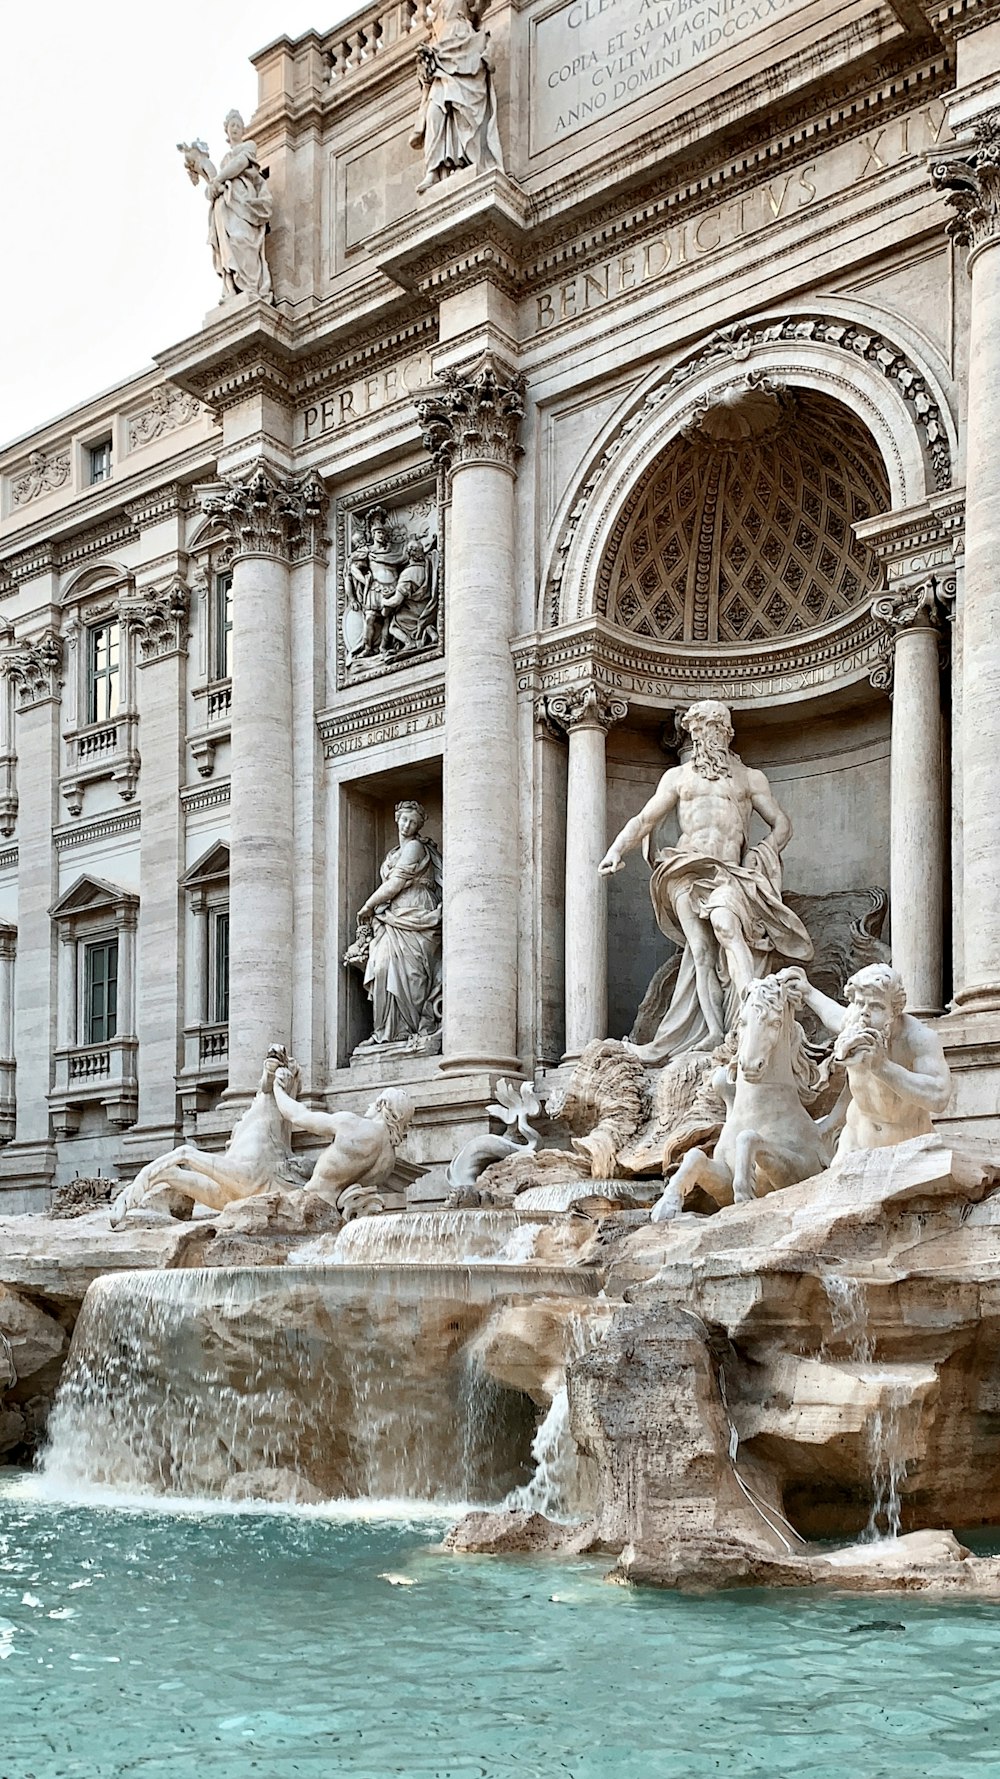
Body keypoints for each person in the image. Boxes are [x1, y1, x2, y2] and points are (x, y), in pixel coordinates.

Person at [599, 699, 813, 1062]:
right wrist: (615, 851)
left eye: (715, 727)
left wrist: (761, 853)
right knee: (699, 951)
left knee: (726, 924)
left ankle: (752, 1009)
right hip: (684, 869)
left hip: (728, 872)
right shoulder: (678, 778)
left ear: (727, 733)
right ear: (692, 733)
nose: (707, 735)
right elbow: (644, 820)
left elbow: (782, 824)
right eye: (700, 729)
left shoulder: (749, 778)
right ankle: (715, 1031)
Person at [783, 962, 951, 1160]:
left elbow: (938, 1097)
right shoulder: (854, 1020)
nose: (864, 1013)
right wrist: (808, 991)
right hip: (855, 1140)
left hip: (907, 1144)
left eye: (876, 1006)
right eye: (860, 1003)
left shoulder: (918, 1038)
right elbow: (833, 1014)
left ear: (894, 1011)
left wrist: (883, 1067)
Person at [350, 801, 443, 1050]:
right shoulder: (392, 853)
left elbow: (395, 885)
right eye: (404, 820)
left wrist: (368, 906)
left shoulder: (414, 848)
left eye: (413, 822)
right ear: (396, 818)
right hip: (393, 917)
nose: (407, 826)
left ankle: (408, 1029)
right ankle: (385, 1032)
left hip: (416, 910)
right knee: (381, 968)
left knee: (413, 974)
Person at [409, 0, 503, 195]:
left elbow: (481, 6)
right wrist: (426, 67)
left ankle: (464, 161)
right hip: (440, 49)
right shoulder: (435, 9)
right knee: (434, 112)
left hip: (464, 45)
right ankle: (435, 169)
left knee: (462, 108)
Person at [201, 112, 272, 300]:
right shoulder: (224, 159)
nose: (234, 128)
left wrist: (217, 180)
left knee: (242, 239)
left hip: (243, 201)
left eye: (238, 125)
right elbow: (214, 185)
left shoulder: (249, 146)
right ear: (226, 129)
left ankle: (250, 286)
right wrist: (212, 187)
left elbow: (240, 163)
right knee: (228, 242)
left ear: (243, 130)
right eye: (231, 125)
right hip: (227, 204)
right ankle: (232, 286)